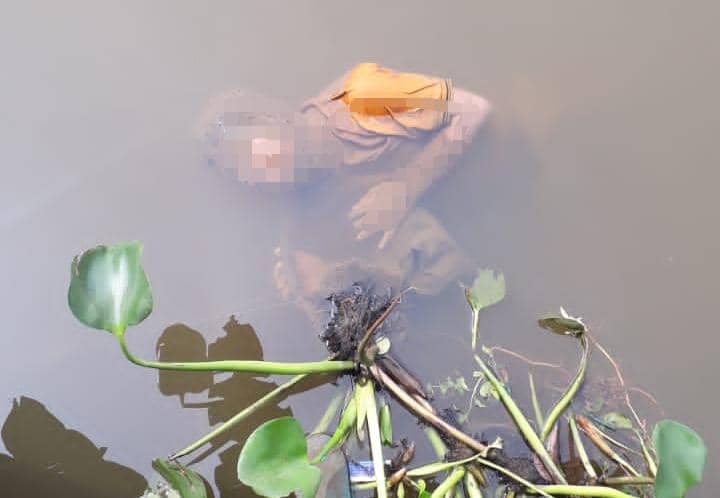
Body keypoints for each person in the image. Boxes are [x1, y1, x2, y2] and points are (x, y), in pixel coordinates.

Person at [196, 63, 491, 324]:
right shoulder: (302, 203)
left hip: (492, 183)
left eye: (253, 159)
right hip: (466, 237)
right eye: (245, 177)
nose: (258, 180)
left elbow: (475, 110)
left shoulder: (361, 97)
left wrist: (406, 188)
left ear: (272, 121)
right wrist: (308, 291)